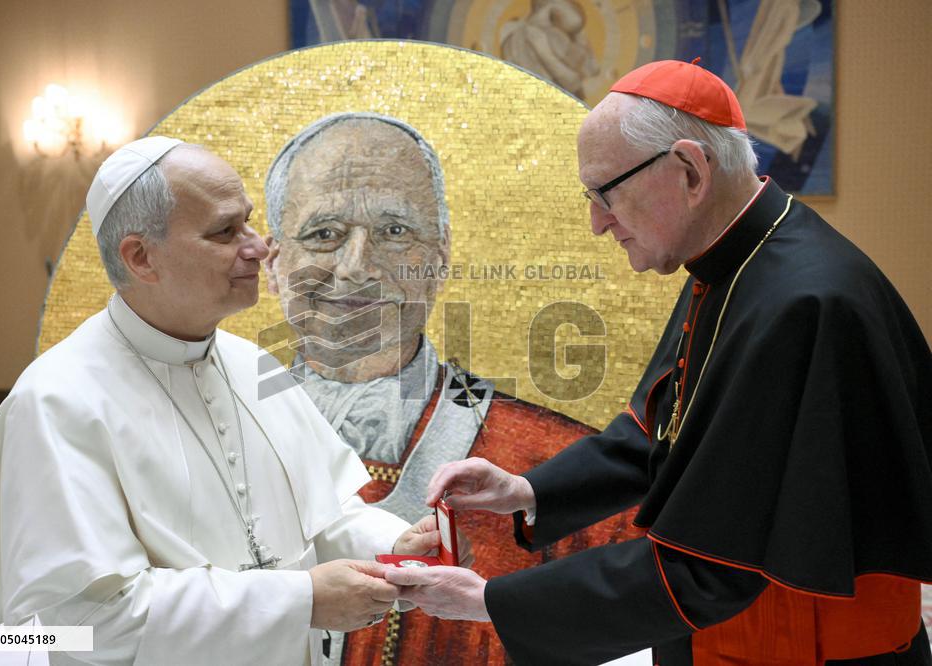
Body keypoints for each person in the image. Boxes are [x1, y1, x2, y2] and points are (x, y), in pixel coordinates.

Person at [384, 60, 932, 664]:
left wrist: (492, 602)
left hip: (800, 645)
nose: (597, 223)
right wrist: (523, 489)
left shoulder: (800, 304)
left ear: (691, 170)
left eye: (606, 193)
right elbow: (663, 432)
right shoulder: (733, 262)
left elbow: (710, 567)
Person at [0, 137, 448, 665]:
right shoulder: (56, 402)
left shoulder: (252, 365)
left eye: (248, 223)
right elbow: (90, 624)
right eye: (225, 232)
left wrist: (395, 545)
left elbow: (324, 517)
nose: (258, 247)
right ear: (141, 257)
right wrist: (300, 600)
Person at [262, 112, 645, 664]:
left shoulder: (551, 468)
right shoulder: (211, 434)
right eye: (324, 234)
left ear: (440, 257)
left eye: (395, 232)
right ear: (273, 263)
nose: (357, 266)